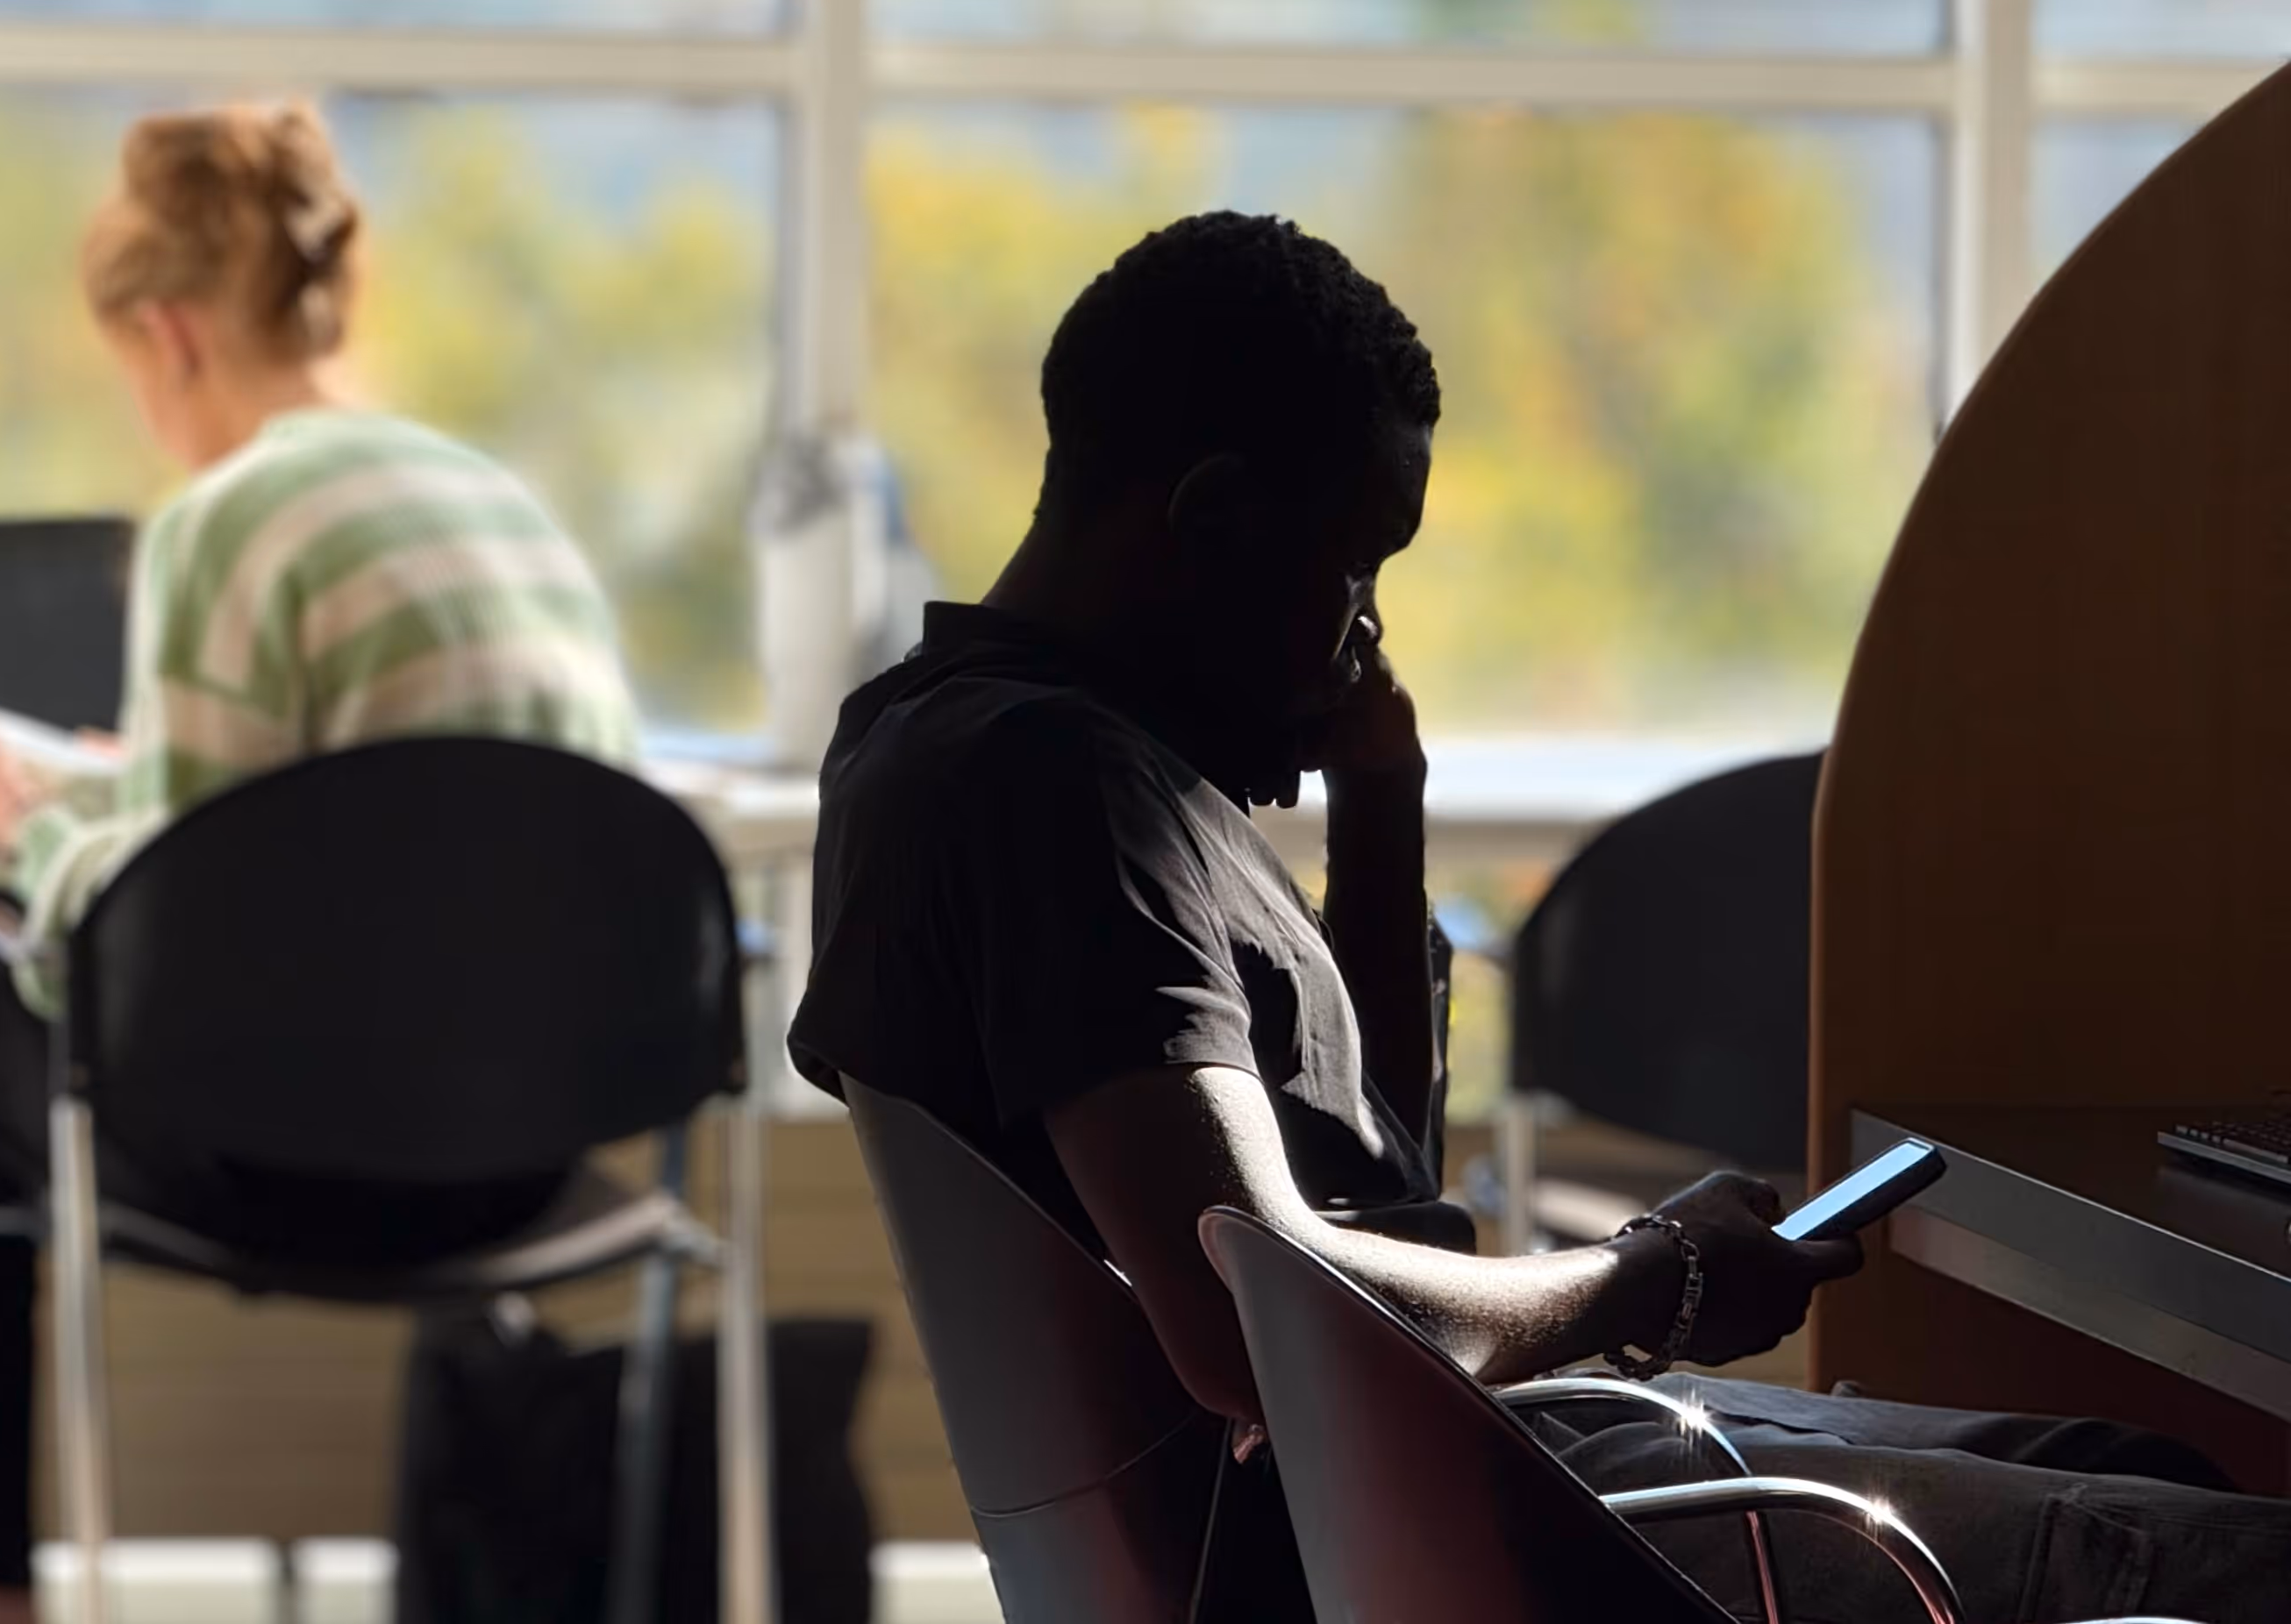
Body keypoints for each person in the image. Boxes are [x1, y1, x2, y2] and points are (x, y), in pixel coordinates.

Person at [791, 210, 2291, 1621]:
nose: (1365, 628)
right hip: (1417, 1515)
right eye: (1353, 563)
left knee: (2147, 1472)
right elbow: (1261, 1313)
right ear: (1218, 521)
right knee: (2224, 1557)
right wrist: (1662, 1277)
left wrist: (1383, 806)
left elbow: (1364, 1175)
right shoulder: (1067, 795)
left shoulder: (941, 741)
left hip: (1402, 1487)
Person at [0, 103, 643, 1624]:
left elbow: (149, 954)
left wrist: (22, 824)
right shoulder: (502, 507)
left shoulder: (225, 515)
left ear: (168, 334)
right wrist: (135, 803)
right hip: (542, 1147)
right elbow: (376, 833)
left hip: (309, 1149)